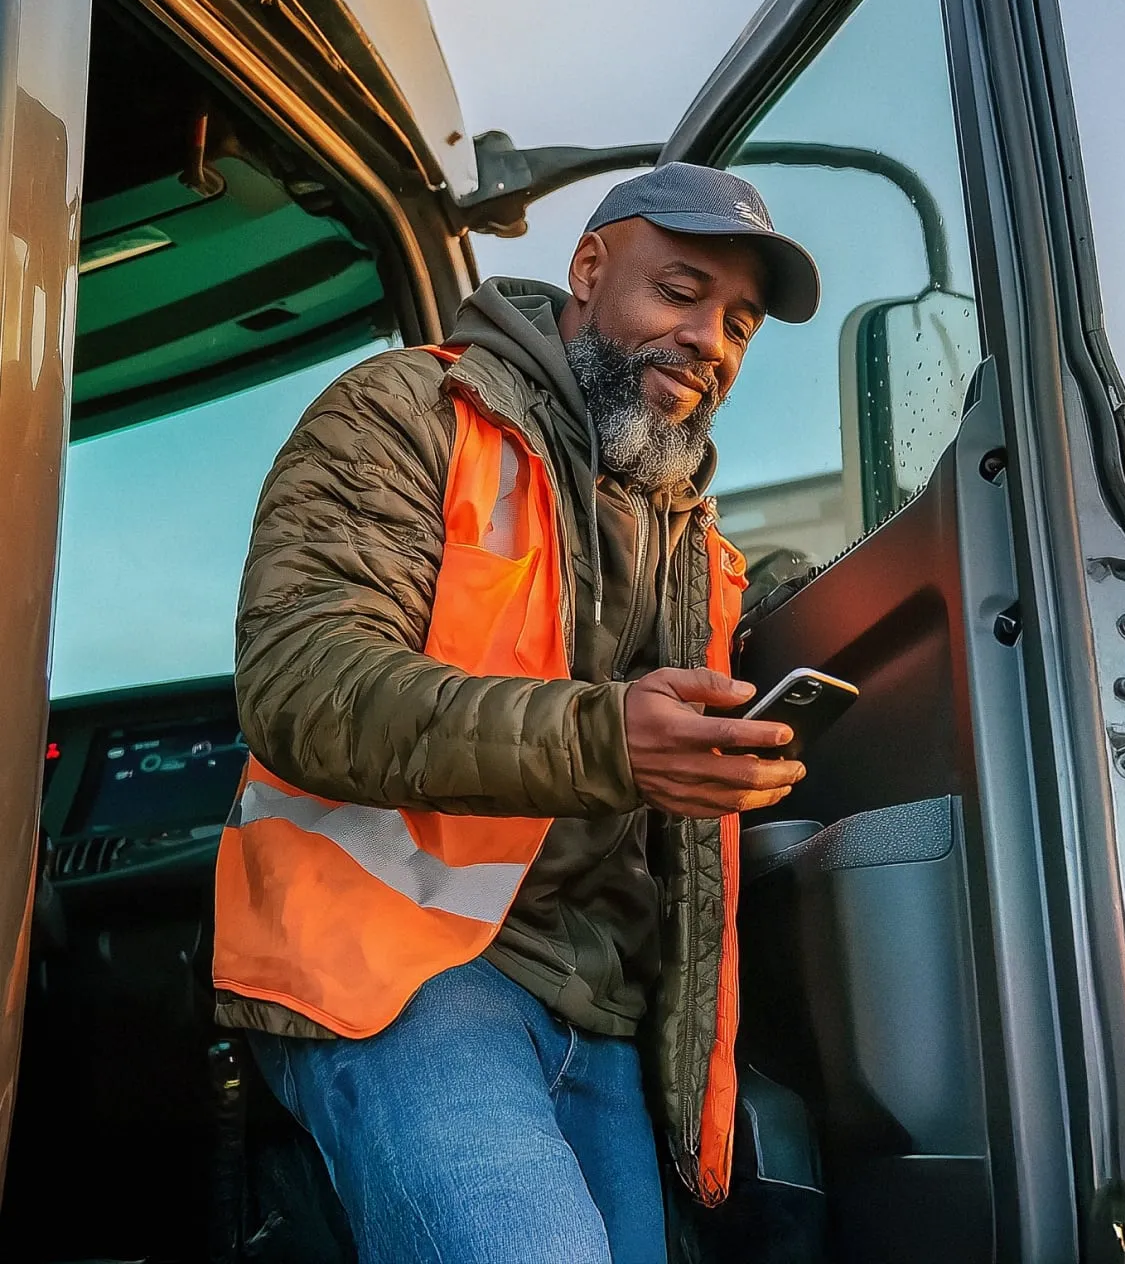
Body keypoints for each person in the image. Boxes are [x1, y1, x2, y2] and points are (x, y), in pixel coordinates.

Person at [212, 162, 821, 1264]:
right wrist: (608, 740)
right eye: (679, 292)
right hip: (399, 966)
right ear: (588, 269)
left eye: (737, 323)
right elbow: (302, 680)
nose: (709, 340)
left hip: (599, 1008)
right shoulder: (407, 410)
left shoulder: (696, 547)